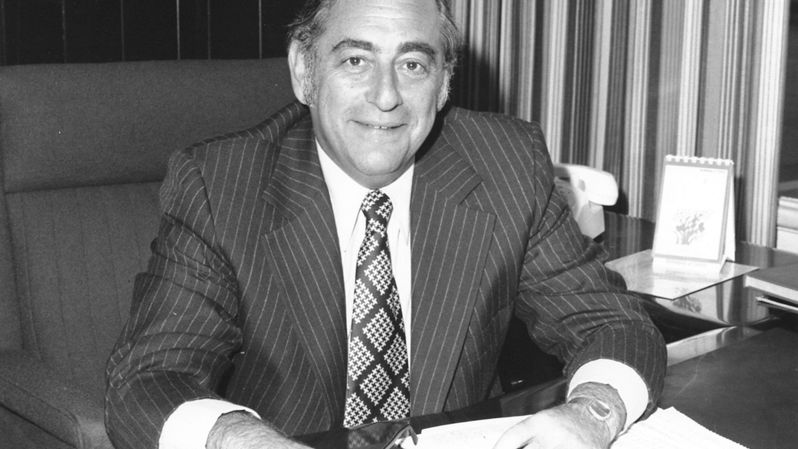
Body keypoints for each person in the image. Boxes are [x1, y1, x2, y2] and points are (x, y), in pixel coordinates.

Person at [105, 0, 666, 448]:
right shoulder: (221, 184)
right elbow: (148, 379)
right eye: (355, 60)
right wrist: (242, 439)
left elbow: (611, 321)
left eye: (413, 64)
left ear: (444, 83)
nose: (386, 96)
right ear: (304, 71)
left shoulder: (508, 165)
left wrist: (592, 415)